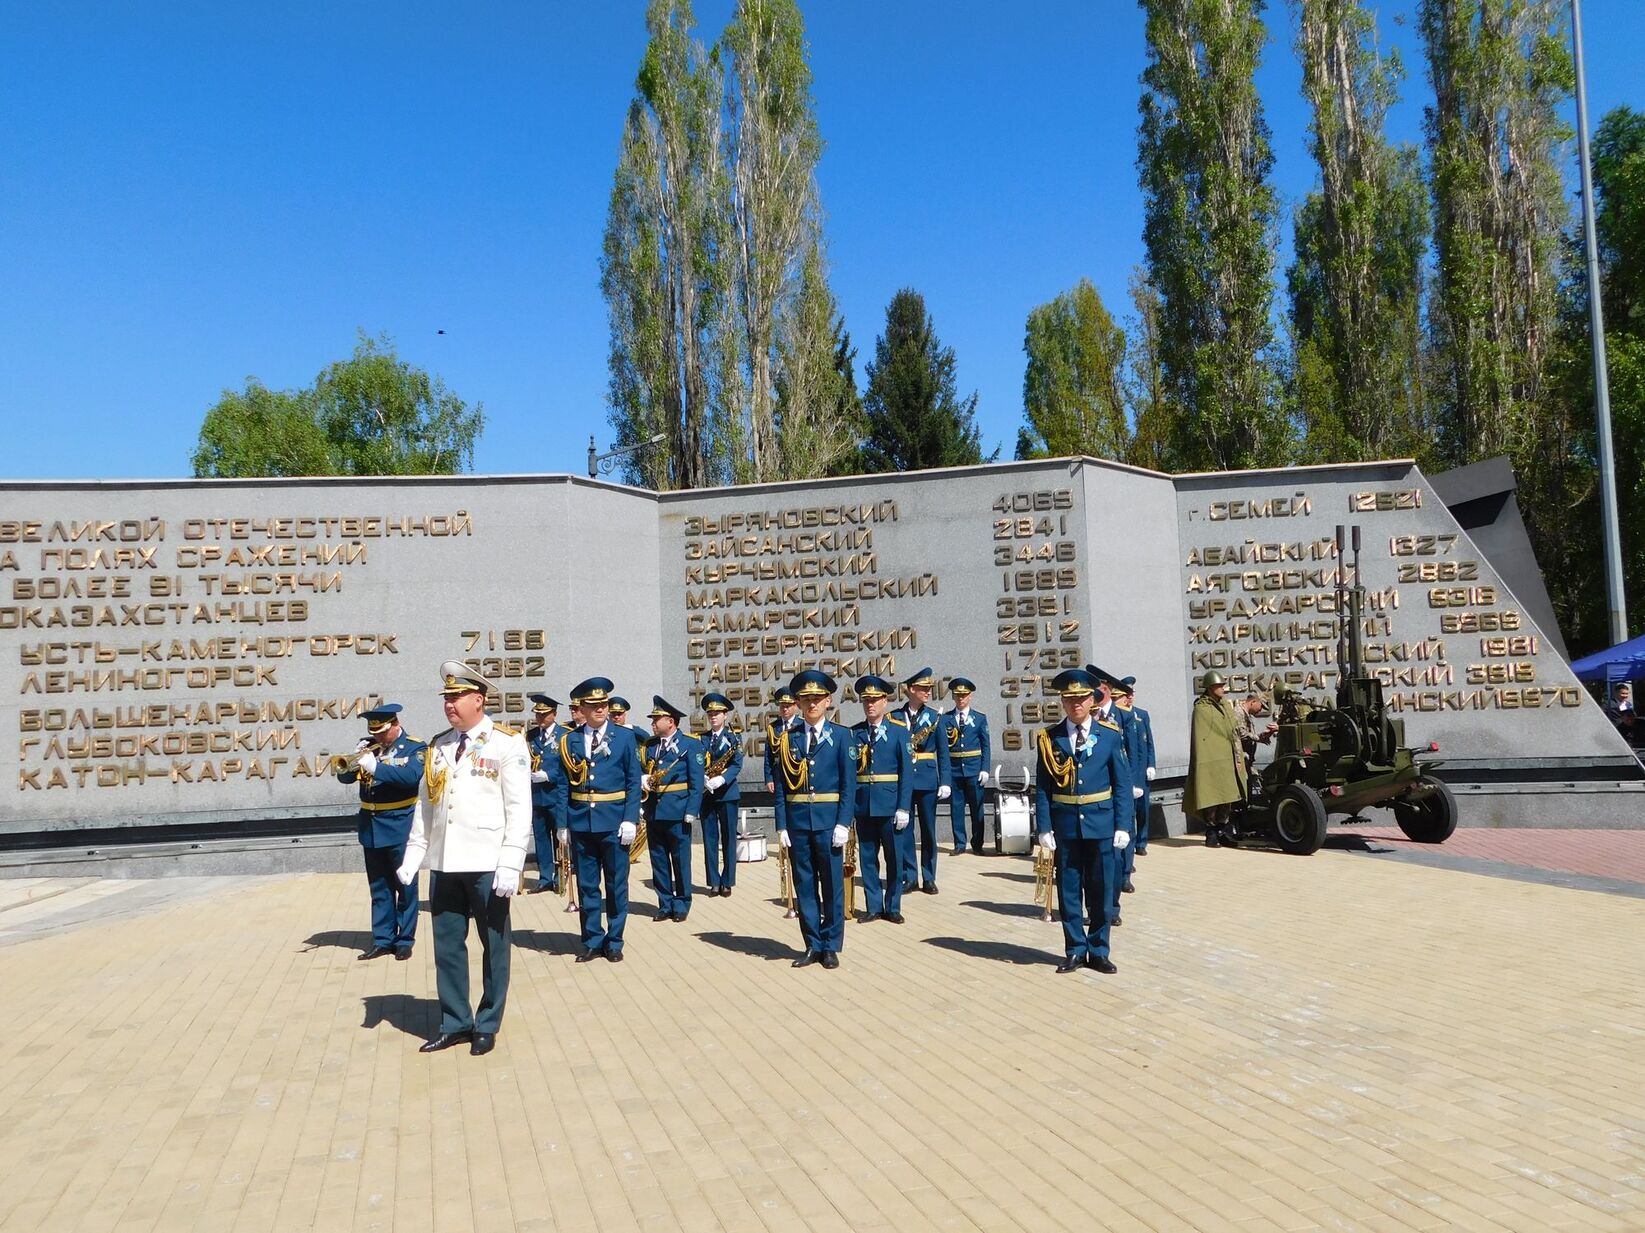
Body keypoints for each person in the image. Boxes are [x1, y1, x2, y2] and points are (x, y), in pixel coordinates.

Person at [396, 662, 531, 1056]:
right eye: (446, 698)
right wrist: (414, 853)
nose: (449, 705)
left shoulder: (506, 743)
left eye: (456, 698)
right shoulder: (438, 745)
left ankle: (487, 1022)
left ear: (479, 699)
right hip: (446, 862)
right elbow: (427, 805)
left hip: (488, 863)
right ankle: (455, 1021)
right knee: (448, 946)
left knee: (495, 944)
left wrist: (512, 862)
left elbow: (520, 807)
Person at [1034, 668, 1133, 974]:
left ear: (1092, 699)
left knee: (1102, 889)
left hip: (1101, 824)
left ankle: (1099, 949)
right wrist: (1044, 827)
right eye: (1069, 699)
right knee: (1069, 890)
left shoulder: (1110, 737)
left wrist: (1122, 826)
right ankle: (1075, 949)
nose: (1075, 704)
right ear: (1062, 702)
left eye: (1081, 698)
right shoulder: (1050, 739)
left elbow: (1122, 785)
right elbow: (1043, 787)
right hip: (1065, 827)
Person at [551, 677, 645, 962]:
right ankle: (592, 939)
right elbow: (562, 785)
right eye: (594, 705)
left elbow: (632, 781)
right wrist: (562, 824)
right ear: (583, 708)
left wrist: (631, 819)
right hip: (582, 821)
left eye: (603, 704)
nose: (601, 709)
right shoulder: (570, 740)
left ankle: (614, 940)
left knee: (617, 885)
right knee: (588, 886)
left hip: (614, 823)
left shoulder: (625, 737)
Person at [772, 669, 856, 969]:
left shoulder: (842, 737)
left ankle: (831, 945)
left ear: (828, 700)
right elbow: (781, 786)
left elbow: (849, 786)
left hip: (829, 823)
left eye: (817, 698)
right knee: (804, 885)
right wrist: (780, 824)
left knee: (832, 885)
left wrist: (843, 824)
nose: (811, 704)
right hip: (797, 824)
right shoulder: (787, 739)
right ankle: (812, 944)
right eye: (806, 699)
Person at [337, 703, 426, 961]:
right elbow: (344, 778)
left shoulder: (414, 747)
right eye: (373, 732)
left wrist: (375, 767)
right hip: (371, 824)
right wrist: (354, 763)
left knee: (405, 885)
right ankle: (383, 939)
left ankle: (405, 940)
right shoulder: (369, 746)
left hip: (400, 823)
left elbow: (410, 777)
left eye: (382, 732)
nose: (377, 736)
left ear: (394, 725)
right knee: (379, 887)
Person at [850, 675, 913, 923]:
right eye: (866, 700)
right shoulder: (854, 734)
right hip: (864, 805)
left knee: (894, 859)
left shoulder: (899, 732)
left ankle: (893, 906)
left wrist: (904, 808)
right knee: (867, 859)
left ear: (885, 701)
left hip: (890, 806)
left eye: (875, 700)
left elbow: (907, 774)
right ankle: (874, 906)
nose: (870, 705)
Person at [888, 668, 952, 895]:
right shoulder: (894, 717)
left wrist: (945, 781)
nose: (928, 692)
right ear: (911, 690)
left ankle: (929, 876)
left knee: (928, 830)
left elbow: (944, 753)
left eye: (928, 689)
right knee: (904, 830)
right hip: (903, 782)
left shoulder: (936, 717)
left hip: (926, 780)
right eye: (923, 689)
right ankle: (909, 876)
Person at [642, 696, 704, 923]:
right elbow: (644, 771)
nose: (653, 723)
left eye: (656, 719)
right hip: (654, 812)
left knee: (680, 860)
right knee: (658, 860)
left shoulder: (691, 745)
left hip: (678, 812)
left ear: (671, 721)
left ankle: (682, 903)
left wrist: (692, 810)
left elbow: (696, 783)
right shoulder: (650, 746)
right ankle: (664, 903)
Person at [1184, 670, 1246, 847]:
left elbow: (1233, 730)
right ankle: (1210, 832)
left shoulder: (1226, 706)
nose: (1223, 689)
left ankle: (1222, 830)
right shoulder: (1201, 708)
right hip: (1211, 760)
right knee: (1212, 797)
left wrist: (1239, 756)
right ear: (1211, 687)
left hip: (1229, 759)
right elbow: (1202, 739)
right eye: (1220, 686)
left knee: (1227, 797)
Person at [699, 693, 744, 897]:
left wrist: (722, 779)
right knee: (709, 839)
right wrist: (703, 778)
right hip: (706, 794)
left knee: (728, 839)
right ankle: (713, 881)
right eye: (710, 713)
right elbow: (697, 762)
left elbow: (736, 764)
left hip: (727, 793)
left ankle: (727, 881)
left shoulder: (734, 738)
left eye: (717, 713)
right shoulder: (703, 738)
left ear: (725, 715)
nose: (713, 717)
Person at [943, 678, 991, 854]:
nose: (960, 699)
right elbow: (943, 749)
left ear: (970, 696)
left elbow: (986, 745)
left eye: (963, 695)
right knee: (956, 808)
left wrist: (985, 769)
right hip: (955, 770)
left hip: (974, 769)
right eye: (957, 695)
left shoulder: (979, 719)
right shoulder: (946, 719)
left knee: (976, 809)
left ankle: (977, 844)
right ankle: (959, 844)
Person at [525, 694, 566, 893]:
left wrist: (549, 775)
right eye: (538, 714)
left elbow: (569, 767)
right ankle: (545, 877)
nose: (540, 718)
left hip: (556, 796)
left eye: (544, 714)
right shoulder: (530, 736)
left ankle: (560, 876)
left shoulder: (564, 735)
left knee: (559, 838)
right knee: (541, 838)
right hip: (537, 797)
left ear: (554, 714)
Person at [763, 686, 799, 793]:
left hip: (797, 775)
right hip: (778, 776)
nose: (785, 709)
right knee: (780, 808)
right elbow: (768, 755)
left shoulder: (802, 724)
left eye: (788, 706)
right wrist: (769, 779)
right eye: (782, 706)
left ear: (795, 706)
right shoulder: (773, 727)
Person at [1238, 691, 1279, 777]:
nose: (1261, 710)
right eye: (1261, 706)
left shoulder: (1247, 715)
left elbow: (1248, 736)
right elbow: (1241, 734)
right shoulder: (1239, 713)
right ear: (1253, 702)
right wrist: (1258, 737)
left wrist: (1263, 736)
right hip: (1241, 761)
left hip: (1247, 762)